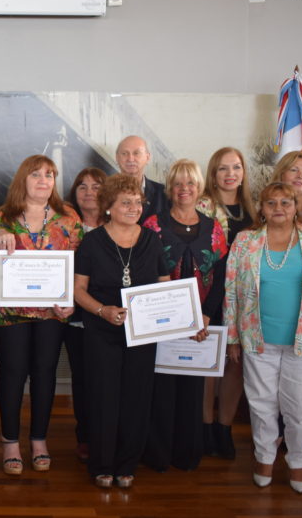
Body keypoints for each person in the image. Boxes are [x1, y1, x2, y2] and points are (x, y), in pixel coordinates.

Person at [224, 181, 302, 494]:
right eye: (271, 203)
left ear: (297, 206)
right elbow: (231, 292)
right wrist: (233, 337)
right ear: (261, 209)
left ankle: (297, 459)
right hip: (257, 336)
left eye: (285, 203)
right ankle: (264, 456)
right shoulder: (245, 241)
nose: (278, 208)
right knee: (261, 403)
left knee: (299, 405)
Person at [72, 174, 169, 488]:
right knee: (103, 397)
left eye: (138, 202)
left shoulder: (152, 240)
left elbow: (165, 285)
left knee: (136, 398)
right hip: (101, 331)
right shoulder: (92, 242)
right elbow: (78, 290)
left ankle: (127, 464)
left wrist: (170, 316)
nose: (134, 207)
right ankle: (102, 465)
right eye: (126, 202)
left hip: (141, 333)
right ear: (109, 207)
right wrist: (103, 311)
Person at [0, 155, 83, 474]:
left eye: (50, 174)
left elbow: (80, 268)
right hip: (10, 312)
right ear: (22, 180)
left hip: (53, 312)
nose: (44, 180)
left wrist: (72, 300)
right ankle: (10, 441)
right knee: (13, 372)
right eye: (36, 174)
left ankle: (39, 439)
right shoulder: (1, 218)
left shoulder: (69, 220)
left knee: (44, 372)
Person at [141, 160, 228, 472]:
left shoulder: (213, 227)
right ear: (170, 188)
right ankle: (158, 454)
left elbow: (220, 276)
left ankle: (187, 454)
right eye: (178, 184)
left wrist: (206, 314)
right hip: (162, 320)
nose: (184, 190)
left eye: (190, 184)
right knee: (161, 388)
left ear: (199, 188)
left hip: (200, 324)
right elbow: (144, 271)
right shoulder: (152, 225)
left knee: (193, 389)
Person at [196, 146, 257, 459]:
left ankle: (224, 427)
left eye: (236, 167)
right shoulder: (203, 205)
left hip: (246, 297)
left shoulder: (253, 208)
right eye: (223, 168)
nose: (230, 174)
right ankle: (205, 426)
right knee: (209, 364)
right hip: (212, 293)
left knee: (235, 364)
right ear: (213, 174)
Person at [63, 167, 107, 463]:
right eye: (82, 186)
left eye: (96, 186)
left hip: (108, 317)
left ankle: (106, 434)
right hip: (73, 316)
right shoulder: (63, 225)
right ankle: (85, 436)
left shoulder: (119, 223)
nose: (89, 191)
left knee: (106, 379)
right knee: (82, 379)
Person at [115, 135, 167, 222]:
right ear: (117, 157)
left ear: (147, 157)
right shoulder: (104, 191)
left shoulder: (163, 193)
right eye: (124, 153)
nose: (130, 159)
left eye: (136, 153)